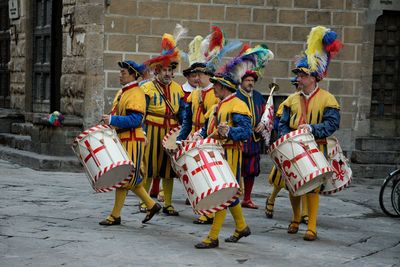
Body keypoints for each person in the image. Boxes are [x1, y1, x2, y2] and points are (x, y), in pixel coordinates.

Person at [278, 26, 342, 241]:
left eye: (302, 75)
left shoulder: (328, 98)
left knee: (313, 187)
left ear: (313, 78)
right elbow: (282, 123)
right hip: (294, 147)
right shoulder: (291, 99)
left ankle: (311, 226)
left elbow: (333, 124)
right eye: (298, 74)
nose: (298, 78)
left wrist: (313, 129)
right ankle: (296, 218)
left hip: (317, 147)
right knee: (293, 185)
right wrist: (287, 137)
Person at [99, 60, 161, 226]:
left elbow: (135, 120)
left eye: (124, 73)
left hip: (133, 140)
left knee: (126, 178)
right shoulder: (124, 91)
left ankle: (116, 215)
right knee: (127, 178)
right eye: (121, 72)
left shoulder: (136, 94)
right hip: (124, 139)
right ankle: (151, 205)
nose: (120, 75)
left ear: (133, 75)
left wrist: (113, 119)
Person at [194, 73, 252, 249]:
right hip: (216, 155)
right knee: (229, 194)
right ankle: (241, 227)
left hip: (231, 155)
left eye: (216, 85)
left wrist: (229, 132)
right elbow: (207, 129)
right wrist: (198, 135)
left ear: (224, 87)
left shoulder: (238, 105)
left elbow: (246, 132)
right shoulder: (216, 106)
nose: (213, 87)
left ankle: (213, 237)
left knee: (224, 194)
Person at [141, 26, 186, 216]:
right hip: (152, 129)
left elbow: (184, 112)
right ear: (157, 71)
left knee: (169, 170)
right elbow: (141, 112)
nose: (168, 74)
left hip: (171, 131)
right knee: (150, 167)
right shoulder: (148, 88)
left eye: (170, 70)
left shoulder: (178, 89)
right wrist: (141, 132)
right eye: (164, 70)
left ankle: (167, 203)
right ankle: (147, 202)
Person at [176, 62, 219, 224]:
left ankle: (210, 212)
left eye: (200, 75)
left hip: (209, 138)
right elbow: (187, 120)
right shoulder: (194, 94)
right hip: (194, 137)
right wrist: (181, 138)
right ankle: (204, 208)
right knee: (198, 174)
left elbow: (213, 120)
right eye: (195, 75)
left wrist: (203, 134)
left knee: (209, 174)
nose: (197, 78)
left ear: (208, 76)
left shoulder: (215, 94)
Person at [265, 78, 308, 223]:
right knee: (280, 176)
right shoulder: (289, 101)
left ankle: (305, 212)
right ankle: (271, 199)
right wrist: (288, 137)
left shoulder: (313, 100)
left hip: (307, 141)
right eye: (299, 85)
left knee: (305, 177)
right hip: (290, 140)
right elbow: (278, 124)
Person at [236, 70, 266, 209]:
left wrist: (263, 124)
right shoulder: (235, 96)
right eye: (247, 80)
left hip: (254, 137)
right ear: (241, 81)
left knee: (251, 169)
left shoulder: (259, 96)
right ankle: (233, 197)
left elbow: (266, 113)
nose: (250, 83)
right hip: (239, 138)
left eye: (252, 81)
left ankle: (247, 198)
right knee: (235, 167)